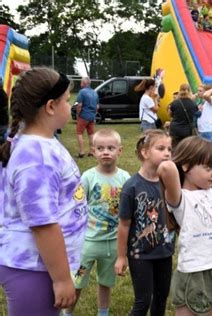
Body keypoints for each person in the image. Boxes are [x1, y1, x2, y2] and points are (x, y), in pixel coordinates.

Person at [0, 68, 88, 315]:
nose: (71, 105)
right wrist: (61, 279)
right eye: (67, 100)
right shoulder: (36, 156)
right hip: (34, 268)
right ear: (51, 106)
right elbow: (42, 223)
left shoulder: (41, 143)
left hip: (42, 265)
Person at [158, 136, 212, 316]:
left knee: (210, 310)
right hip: (195, 269)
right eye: (208, 168)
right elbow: (166, 167)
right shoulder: (180, 198)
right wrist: (190, 157)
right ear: (186, 167)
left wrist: (207, 159)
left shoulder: (209, 190)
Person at [64, 129, 130, 316]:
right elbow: (76, 204)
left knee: (105, 283)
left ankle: (103, 313)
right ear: (93, 151)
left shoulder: (125, 178)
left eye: (111, 148)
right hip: (88, 244)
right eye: (100, 148)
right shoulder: (87, 177)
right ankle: (67, 313)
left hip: (112, 244)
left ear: (120, 151)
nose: (106, 152)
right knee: (77, 282)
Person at [115, 129, 176, 316]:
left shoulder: (170, 182)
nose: (167, 153)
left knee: (161, 298)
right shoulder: (132, 186)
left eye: (169, 149)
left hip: (164, 251)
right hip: (140, 254)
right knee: (143, 301)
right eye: (161, 148)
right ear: (145, 152)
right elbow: (124, 224)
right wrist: (121, 256)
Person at [168, 83, 199, 148]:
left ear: (180, 90)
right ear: (189, 91)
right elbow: (195, 114)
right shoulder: (193, 104)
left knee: (174, 148)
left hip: (175, 129)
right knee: (185, 149)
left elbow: (170, 114)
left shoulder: (175, 103)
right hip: (187, 130)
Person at [76, 76, 99, 158]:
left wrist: (78, 114)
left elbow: (79, 105)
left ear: (84, 83)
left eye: (81, 82)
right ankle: (92, 152)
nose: (80, 84)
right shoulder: (95, 92)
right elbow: (97, 106)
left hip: (83, 116)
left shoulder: (82, 92)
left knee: (79, 133)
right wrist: (94, 114)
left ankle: (82, 152)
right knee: (91, 134)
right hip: (92, 117)